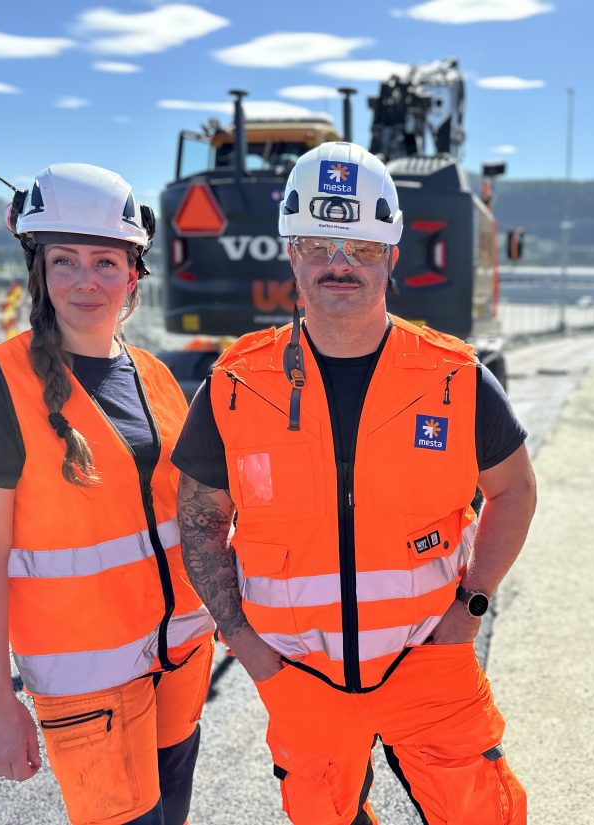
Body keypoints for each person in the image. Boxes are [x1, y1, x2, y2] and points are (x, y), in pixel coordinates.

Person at [173, 141, 535, 825]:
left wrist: (472, 609)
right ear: (291, 253)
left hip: (433, 664)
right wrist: (245, 644)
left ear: (392, 256)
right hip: (300, 676)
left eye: (363, 248)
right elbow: (198, 521)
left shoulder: (454, 377)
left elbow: (515, 489)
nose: (339, 265)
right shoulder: (236, 383)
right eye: (319, 243)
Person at [0, 164, 216, 825]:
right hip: (89, 690)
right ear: (39, 271)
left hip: (180, 667)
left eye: (105, 260)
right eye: (64, 261)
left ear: (133, 273)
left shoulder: (154, 375)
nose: (85, 280)